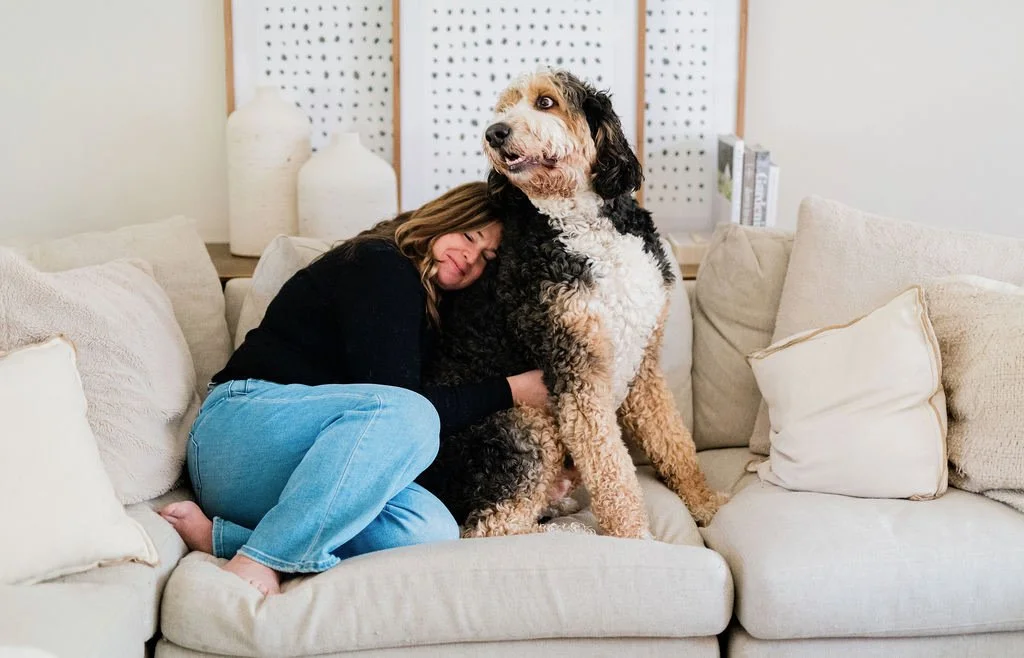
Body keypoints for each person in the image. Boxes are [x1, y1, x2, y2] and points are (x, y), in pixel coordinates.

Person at [159, 182, 549, 596]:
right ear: (442, 218)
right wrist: (511, 390)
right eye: (469, 236)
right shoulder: (381, 264)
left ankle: (231, 541)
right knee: (410, 413)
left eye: (488, 257)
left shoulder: (437, 308)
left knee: (430, 531)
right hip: (240, 433)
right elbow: (399, 405)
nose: (471, 258)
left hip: (304, 477)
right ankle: (260, 559)